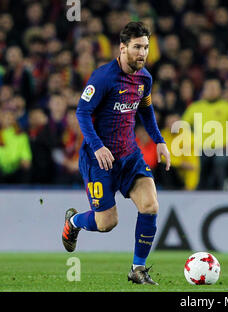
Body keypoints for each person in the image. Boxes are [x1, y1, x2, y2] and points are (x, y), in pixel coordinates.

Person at [61, 22, 171, 285]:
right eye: (137, 47)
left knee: (150, 205)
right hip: (99, 159)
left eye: (145, 47)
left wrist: (159, 141)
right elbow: (82, 113)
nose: (142, 53)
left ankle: (138, 269)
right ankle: (74, 221)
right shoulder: (102, 78)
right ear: (122, 48)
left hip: (130, 156)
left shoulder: (145, 78)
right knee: (107, 223)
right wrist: (98, 146)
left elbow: (145, 109)